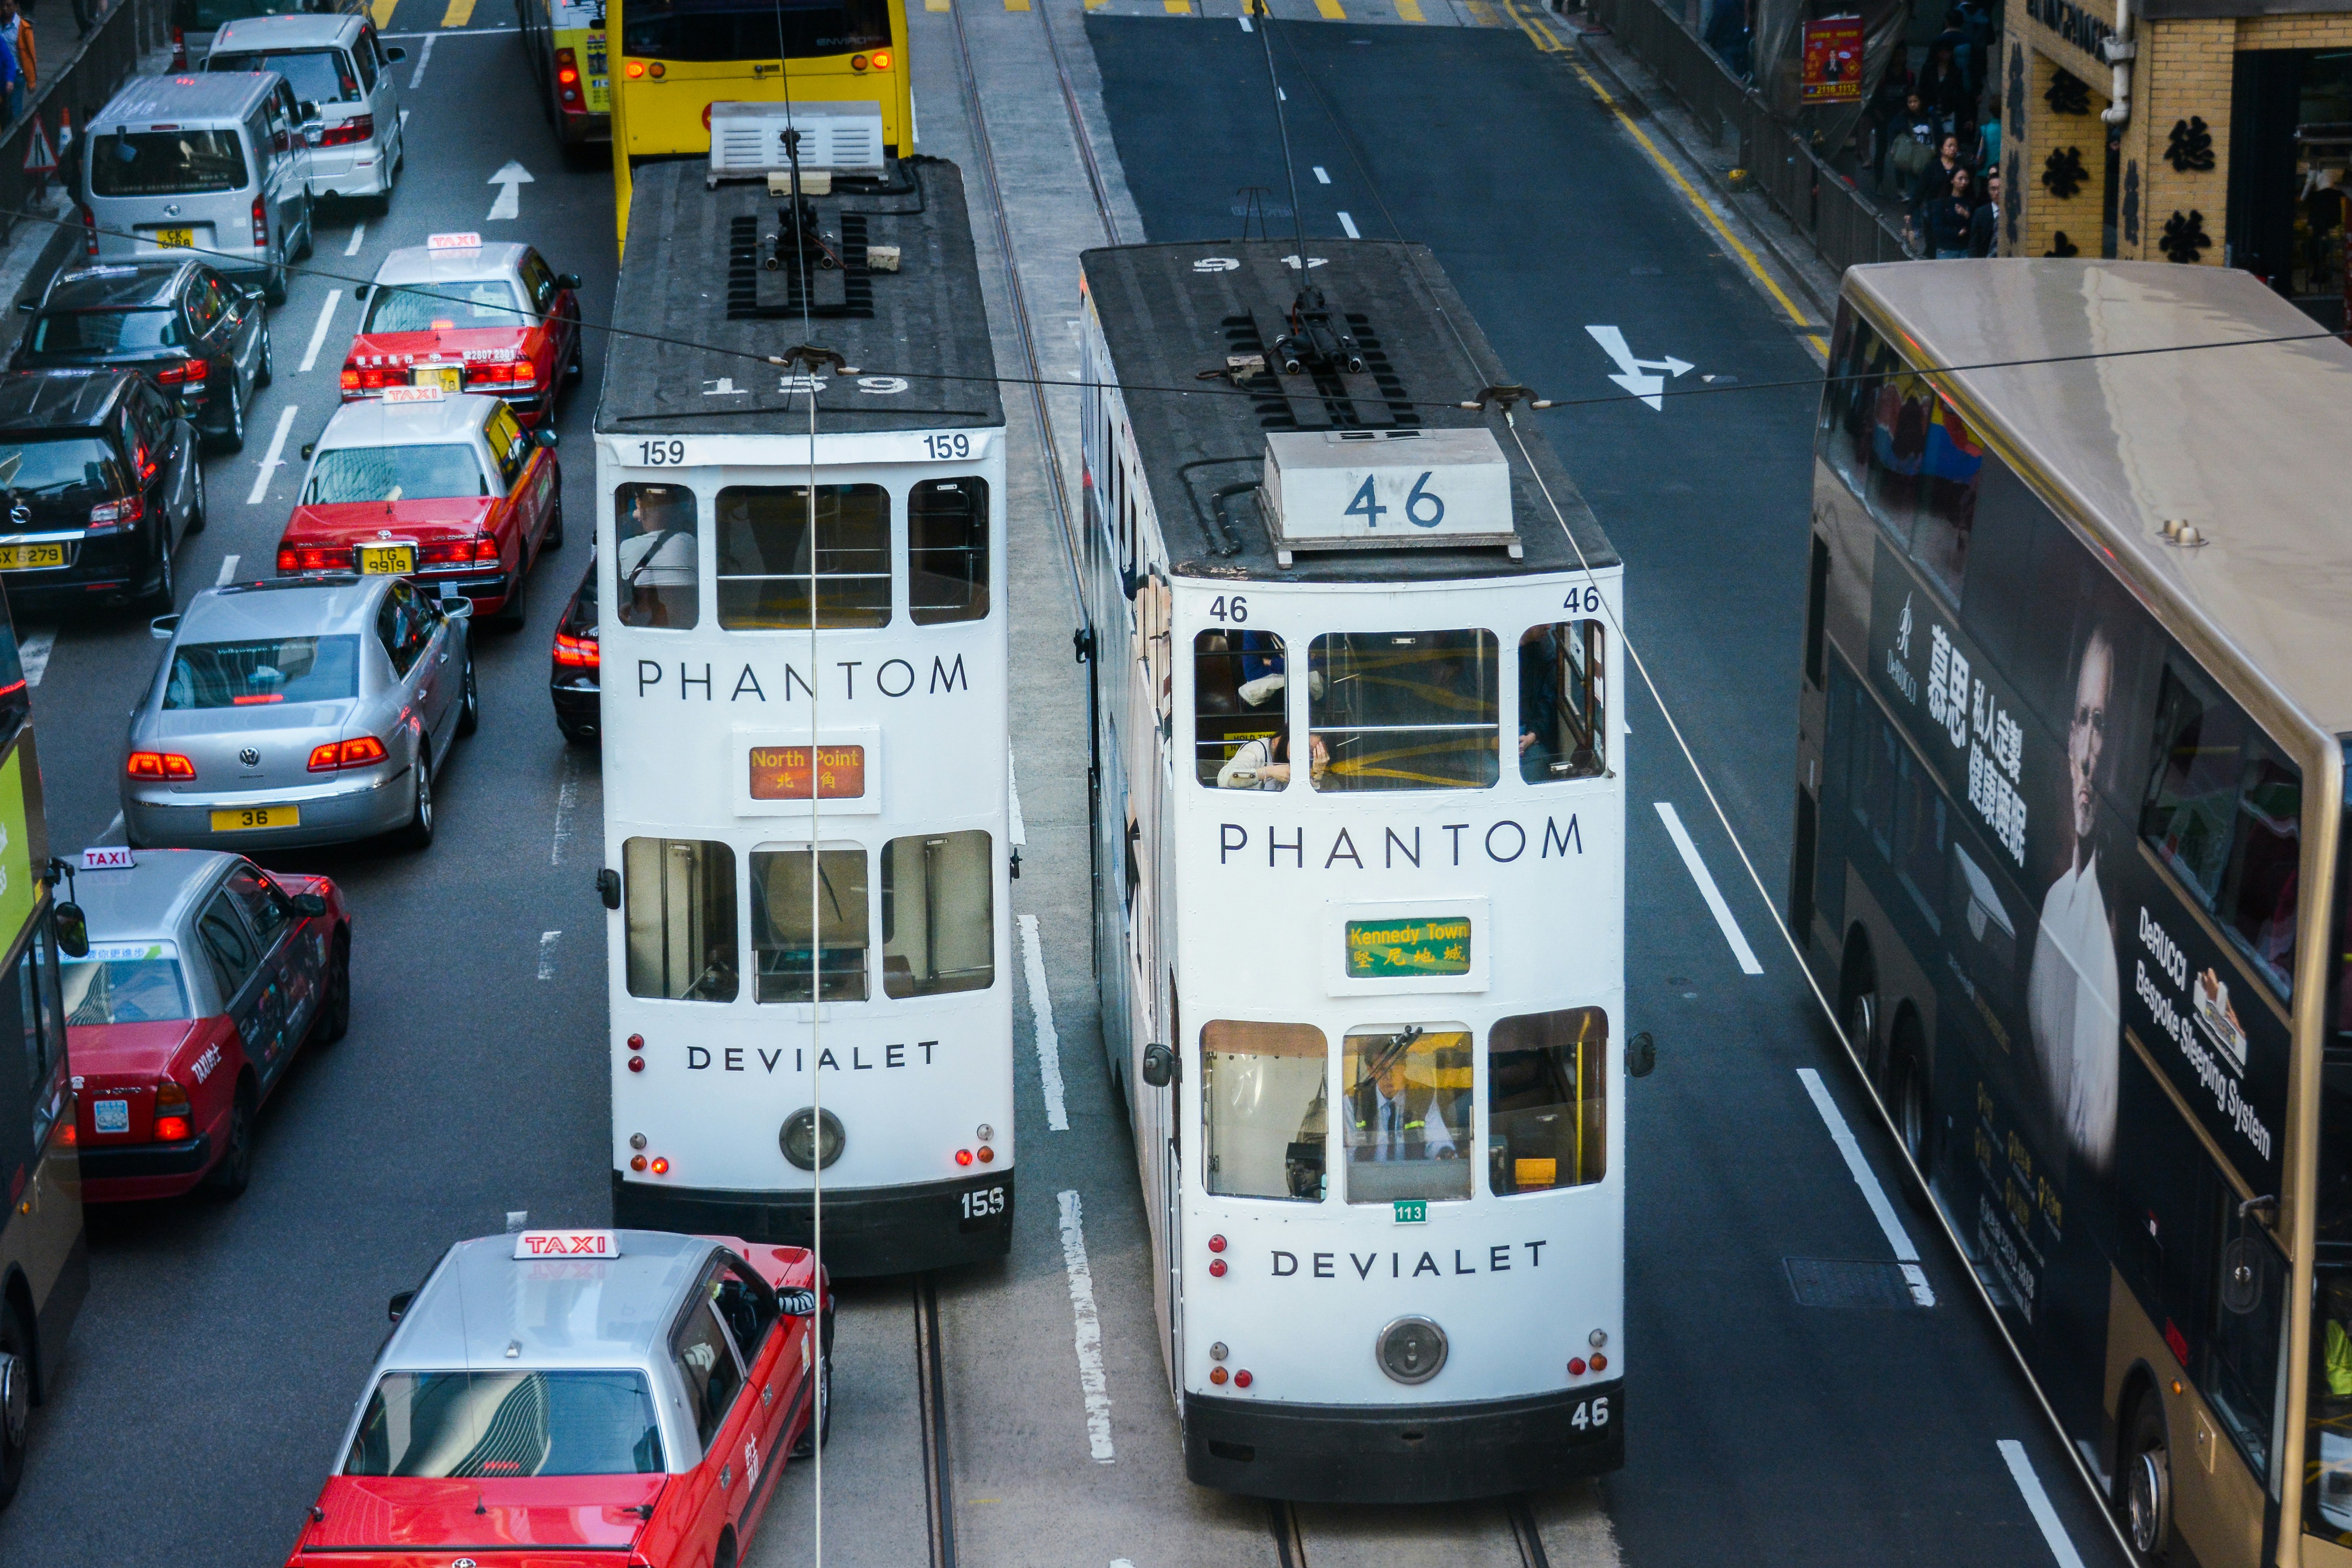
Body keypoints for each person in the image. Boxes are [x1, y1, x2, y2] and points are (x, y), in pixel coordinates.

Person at [2026, 623, 2121, 1175]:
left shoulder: (2111, 938)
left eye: (2102, 724)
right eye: (2083, 720)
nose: (2087, 754)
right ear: (2067, 738)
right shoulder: (2055, 905)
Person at [1216, 728, 1327, 790]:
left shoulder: (1301, 762)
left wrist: (1317, 774)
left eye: (1312, 754)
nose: (1304, 755)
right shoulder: (1256, 749)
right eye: (1306, 746)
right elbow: (1224, 778)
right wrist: (1267, 772)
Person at [1922, 166, 1976, 258]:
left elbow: (1976, 227)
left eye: (1966, 179)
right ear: (1952, 180)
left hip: (1965, 250)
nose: (1964, 182)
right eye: (1960, 179)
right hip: (1946, 250)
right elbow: (1937, 228)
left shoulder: (1970, 202)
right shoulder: (1942, 203)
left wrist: (1966, 215)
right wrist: (1956, 233)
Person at [1969, 171, 2002, 257]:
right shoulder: (1980, 213)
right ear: (1988, 191)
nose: (1997, 193)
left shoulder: (2011, 213)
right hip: (1985, 260)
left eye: (2000, 188)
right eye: (1993, 189)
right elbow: (1974, 243)